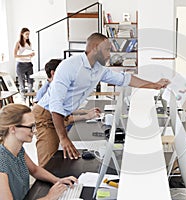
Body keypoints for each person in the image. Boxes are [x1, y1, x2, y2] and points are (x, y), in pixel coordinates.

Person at [33, 32, 170, 167]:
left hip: (62, 114)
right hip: (46, 114)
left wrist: (154, 85)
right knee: (48, 163)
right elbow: (55, 104)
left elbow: (125, 79)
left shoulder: (99, 69)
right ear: (95, 48)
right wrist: (64, 137)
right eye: (107, 49)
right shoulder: (69, 66)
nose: (109, 54)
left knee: (62, 159)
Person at [0, 104, 77, 200]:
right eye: (30, 126)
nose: (35, 130)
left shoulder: (18, 150)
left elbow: (35, 170)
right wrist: (49, 197)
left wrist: (57, 180)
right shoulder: (2, 163)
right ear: (12, 129)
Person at [34, 58, 101, 130]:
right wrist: (86, 116)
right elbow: (62, 118)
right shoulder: (45, 93)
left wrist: (86, 111)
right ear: (53, 73)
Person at [14, 28, 35, 97]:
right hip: (20, 65)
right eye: (26, 34)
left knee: (30, 82)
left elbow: (29, 54)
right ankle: (23, 99)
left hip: (29, 64)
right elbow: (15, 55)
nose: (28, 35)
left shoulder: (29, 43)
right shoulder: (18, 43)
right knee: (21, 83)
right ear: (22, 34)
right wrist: (27, 55)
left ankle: (29, 98)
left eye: (28, 34)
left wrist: (31, 55)